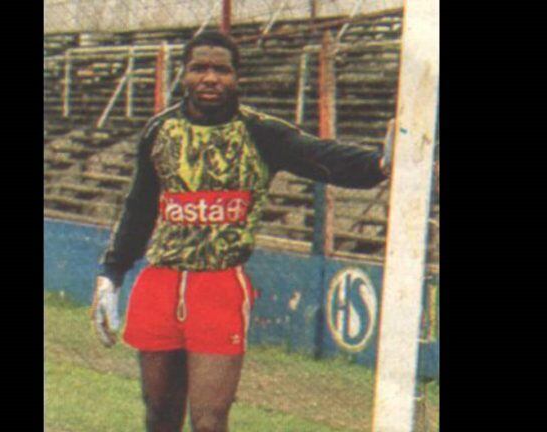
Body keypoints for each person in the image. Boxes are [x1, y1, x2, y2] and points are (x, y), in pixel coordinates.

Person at [91, 31, 394, 432]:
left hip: (219, 286)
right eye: (199, 68)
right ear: (183, 74)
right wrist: (111, 275)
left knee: (209, 421)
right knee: (160, 416)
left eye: (222, 69)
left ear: (237, 78)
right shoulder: (159, 132)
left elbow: (320, 157)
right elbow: (139, 207)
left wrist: (379, 164)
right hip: (159, 282)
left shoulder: (260, 132)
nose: (210, 78)